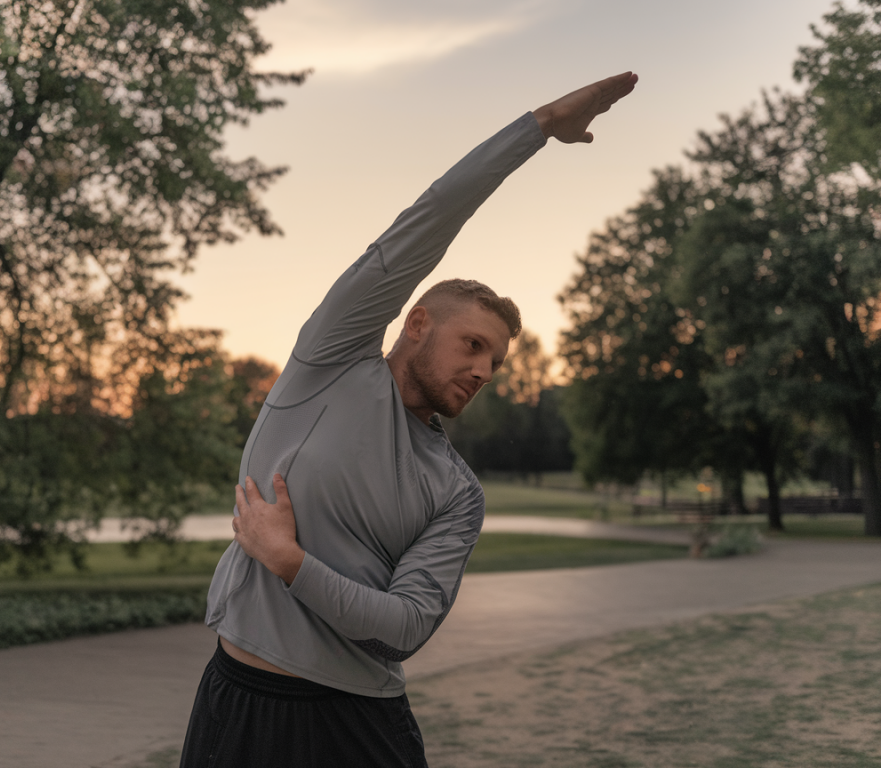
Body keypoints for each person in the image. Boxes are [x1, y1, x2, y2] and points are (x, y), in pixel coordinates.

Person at [179, 71, 638, 768]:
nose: (484, 371)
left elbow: (404, 627)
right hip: (237, 706)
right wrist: (539, 127)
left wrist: (290, 562)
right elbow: (426, 222)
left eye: (497, 362)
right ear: (417, 323)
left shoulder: (456, 492)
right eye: (473, 346)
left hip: (359, 727)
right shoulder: (329, 363)